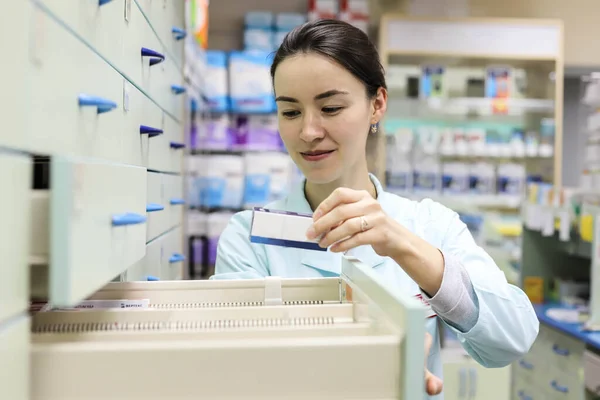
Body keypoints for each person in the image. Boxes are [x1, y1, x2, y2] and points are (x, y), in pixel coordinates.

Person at [212, 19, 539, 399]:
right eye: (290, 112)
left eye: (330, 107)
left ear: (377, 105)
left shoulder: (429, 224)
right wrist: (375, 363)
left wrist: (404, 246)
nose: (308, 132)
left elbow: (513, 339)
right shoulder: (251, 235)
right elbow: (239, 362)